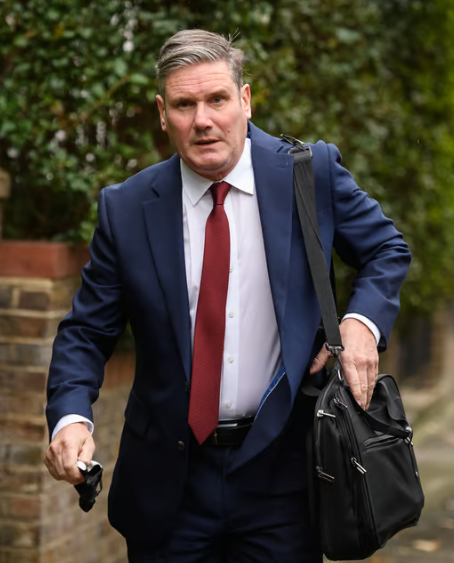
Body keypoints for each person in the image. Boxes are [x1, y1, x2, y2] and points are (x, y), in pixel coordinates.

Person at [44, 29, 411, 563]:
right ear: (163, 113)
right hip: (168, 486)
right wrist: (70, 417)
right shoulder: (126, 208)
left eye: (217, 99)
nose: (203, 120)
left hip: (286, 479)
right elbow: (86, 331)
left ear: (245, 100)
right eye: (184, 104)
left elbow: (386, 249)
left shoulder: (310, 174)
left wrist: (360, 324)